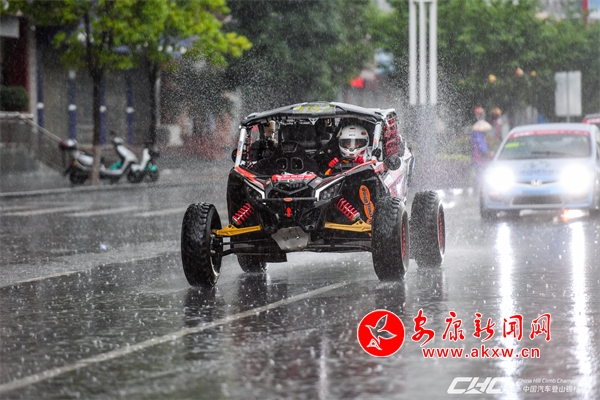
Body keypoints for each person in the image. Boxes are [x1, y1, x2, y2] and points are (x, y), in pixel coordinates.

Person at [470, 121, 494, 188]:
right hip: (480, 158)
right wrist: (489, 153)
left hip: (475, 158)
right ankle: (480, 187)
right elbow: (482, 148)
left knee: (479, 173)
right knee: (481, 174)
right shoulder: (478, 136)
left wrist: (487, 146)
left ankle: (477, 186)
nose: (486, 131)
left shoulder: (475, 135)